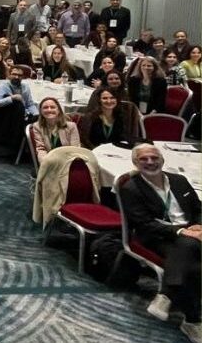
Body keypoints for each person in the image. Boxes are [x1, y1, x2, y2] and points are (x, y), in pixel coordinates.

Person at [117, 144, 201, 341]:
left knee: (190, 252)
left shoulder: (179, 180)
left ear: (162, 160)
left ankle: (167, 294)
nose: (150, 162)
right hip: (157, 237)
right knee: (193, 261)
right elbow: (144, 224)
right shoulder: (131, 189)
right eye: (143, 159)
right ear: (135, 163)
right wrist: (183, 231)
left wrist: (199, 225)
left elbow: (198, 208)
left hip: (191, 233)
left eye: (154, 158)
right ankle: (192, 320)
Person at [0, 66, 38, 152]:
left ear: (23, 77)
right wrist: (12, 98)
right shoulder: (3, 86)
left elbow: (30, 104)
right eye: (14, 74)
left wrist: (36, 114)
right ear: (9, 75)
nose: (16, 77)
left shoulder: (25, 87)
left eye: (19, 75)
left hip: (23, 116)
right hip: (6, 118)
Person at [77, 87, 142, 148]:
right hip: (95, 151)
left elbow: (127, 137)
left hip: (117, 151)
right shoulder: (90, 118)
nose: (109, 101)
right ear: (99, 100)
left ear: (117, 99)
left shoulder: (123, 117)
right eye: (105, 98)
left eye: (112, 98)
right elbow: (85, 140)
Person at [32, 97, 81, 164]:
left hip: (69, 161)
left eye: (52, 107)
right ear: (41, 111)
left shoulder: (71, 126)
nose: (49, 110)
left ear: (58, 110)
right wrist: (45, 162)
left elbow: (75, 149)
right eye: (45, 107)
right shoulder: (37, 127)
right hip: (49, 161)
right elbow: (41, 149)